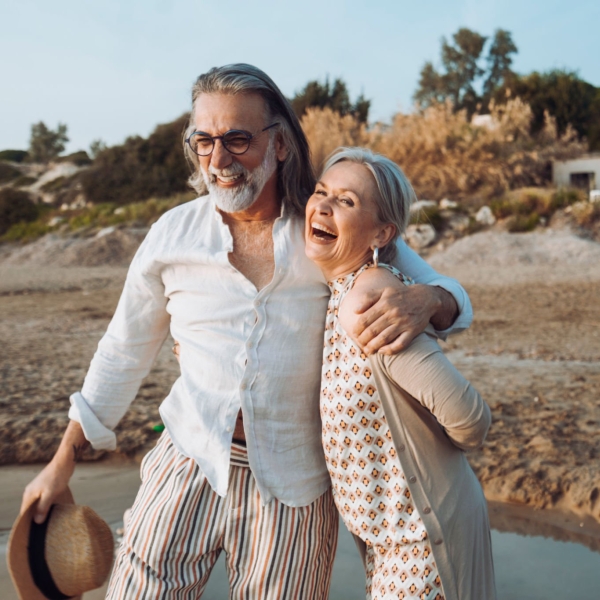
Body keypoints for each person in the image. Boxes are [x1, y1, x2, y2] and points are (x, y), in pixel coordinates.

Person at [21, 65, 473, 599]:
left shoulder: (326, 231)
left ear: (279, 144)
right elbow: (122, 350)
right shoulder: (173, 233)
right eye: (204, 141)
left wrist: (428, 299)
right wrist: (61, 461)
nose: (219, 160)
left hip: (295, 487)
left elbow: (453, 298)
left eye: (237, 139)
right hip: (186, 460)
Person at [304, 147, 495, 600]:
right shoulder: (340, 291)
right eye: (320, 192)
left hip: (424, 538)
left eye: (347, 201)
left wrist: (436, 459)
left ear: (382, 232)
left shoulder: (370, 298)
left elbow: (472, 418)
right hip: (389, 541)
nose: (324, 206)